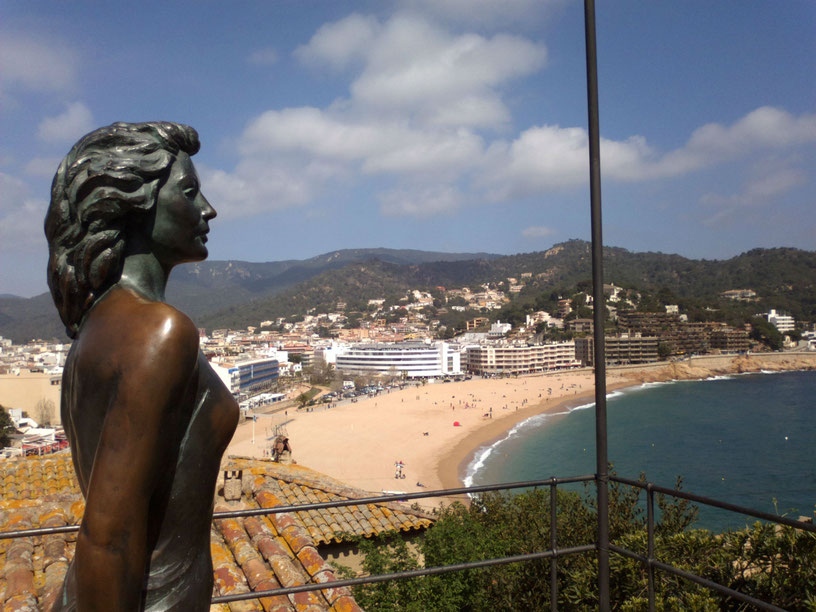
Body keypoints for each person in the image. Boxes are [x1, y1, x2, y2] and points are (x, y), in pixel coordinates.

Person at [45, 122, 239, 611]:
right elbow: (110, 537)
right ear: (133, 207)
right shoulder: (160, 331)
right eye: (190, 191)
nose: (208, 209)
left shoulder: (96, 328)